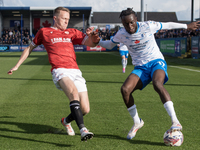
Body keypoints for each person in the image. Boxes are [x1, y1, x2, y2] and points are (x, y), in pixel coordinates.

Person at [97, 8, 200, 140]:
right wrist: (97, 41)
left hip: (156, 62)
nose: (130, 26)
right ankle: (137, 122)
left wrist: (186, 26)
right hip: (141, 67)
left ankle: (175, 121)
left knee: (157, 84)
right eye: (126, 24)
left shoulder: (148, 26)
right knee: (125, 90)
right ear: (122, 24)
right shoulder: (121, 33)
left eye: (132, 22)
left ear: (136, 19)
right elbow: (110, 44)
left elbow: (167, 25)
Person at [7, 6, 100, 141]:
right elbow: (29, 48)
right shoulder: (44, 32)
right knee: (73, 93)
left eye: (68, 19)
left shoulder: (72, 32)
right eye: (63, 19)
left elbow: (92, 44)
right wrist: (17, 65)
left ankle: (66, 121)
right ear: (55, 18)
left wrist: (93, 36)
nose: (66, 22)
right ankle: (83, 130)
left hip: (75, 70)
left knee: (85, 109)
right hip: (59, 70)